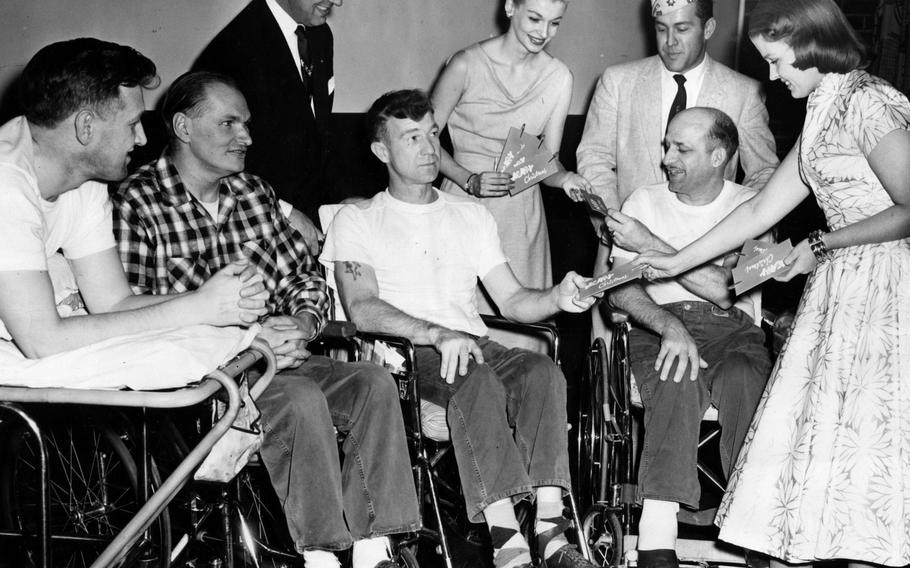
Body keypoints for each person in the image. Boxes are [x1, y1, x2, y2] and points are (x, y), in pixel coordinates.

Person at [636, 1, 910, 566]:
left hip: (883, 287)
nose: (771, 75)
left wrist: (819, 245)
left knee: (874, 451)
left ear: (812, 44)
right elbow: (760, 209)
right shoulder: (822, 110)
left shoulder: (868, 100)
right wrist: (674, 260)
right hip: (841, 290)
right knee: (838, 458)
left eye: (777, 60)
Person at [113, 72, 419, 568]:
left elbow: (305, 279)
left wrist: (301, 323)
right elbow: (140, 316)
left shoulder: (253, 193)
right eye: (230, 123)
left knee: (372, 382)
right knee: (297, 398)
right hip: (205, 379)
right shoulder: (137, 203)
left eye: (247, 123)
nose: (247, 137)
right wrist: (254, 340)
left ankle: (373, 551)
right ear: (183, 127)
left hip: (281, 358)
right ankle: (321, 555)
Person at [321, 89, 599, 568]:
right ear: (381, 152)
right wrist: (434, 333)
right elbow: (362, 308)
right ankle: (507, 541)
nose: (430, 148)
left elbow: (511, 300)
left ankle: (551, 531)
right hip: (403, 352)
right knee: (475, 376)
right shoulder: (358, 218)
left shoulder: (470, 214)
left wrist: (557, 296)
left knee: (541, 373)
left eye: (433, 133)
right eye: (412, 138)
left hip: (471, 342)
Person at [0, 38, 267, 362]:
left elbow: (114, 303)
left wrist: (213, 301)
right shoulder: (7, 183)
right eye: (132, 124)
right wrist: (199, 307)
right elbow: (43, 341)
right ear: (86, 127)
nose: (142, 138)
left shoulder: (85, 181)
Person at [607, 107, 771, 568]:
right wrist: (668, 326)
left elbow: (726, 289)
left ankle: (753, 525)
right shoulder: (643, 199)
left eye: (681, 148)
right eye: (666, 146)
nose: (666, 159)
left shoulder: (755, 207)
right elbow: (620, 288)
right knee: (677, 373)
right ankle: (657, 535)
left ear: (718, 155)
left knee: (743, 377)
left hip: (733, 329)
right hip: (660, 323)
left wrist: (650, 243)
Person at [576, 0, 779, 340]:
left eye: (682, 29)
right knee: (619, 370)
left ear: (708, 29)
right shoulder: (618, 80)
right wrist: (614, 224)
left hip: (707, 265)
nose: (670, 41)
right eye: (661, 29)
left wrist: (745, 233)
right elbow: (594, 157)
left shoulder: (744, 92)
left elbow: (764, 172)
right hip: (626, 254)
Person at [430, 0, 592, 321]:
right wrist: (468, 179)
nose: (544, 32)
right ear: (510, 8)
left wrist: (566, 179)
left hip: (521, 220)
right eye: (534, 18)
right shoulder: (465, 64)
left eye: (554, 23)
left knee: (519, 329)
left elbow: (546, 162)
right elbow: (423, 140)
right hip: (462, 205)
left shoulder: (559, 77)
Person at [193, 0, 343, 249]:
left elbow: (316, 137)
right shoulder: (232, 48)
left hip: (311, 214)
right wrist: (281, 211)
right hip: (254, 224)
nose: (338, 1)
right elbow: (208, 159)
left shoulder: (319, 35)